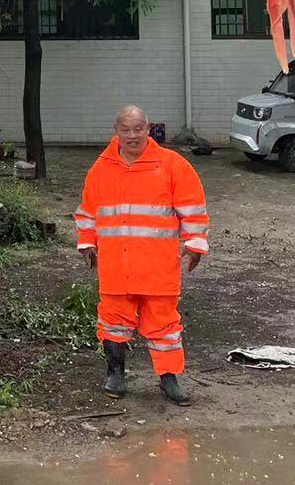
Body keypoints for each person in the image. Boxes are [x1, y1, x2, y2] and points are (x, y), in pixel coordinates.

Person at [74, 105, 209, 405]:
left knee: (164, 326)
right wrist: (86, 242)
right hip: (116, 267)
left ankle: (169, 379)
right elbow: (88, 210)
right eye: (126, 129)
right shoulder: (101, 168)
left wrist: (196, 242)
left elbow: (192, 207)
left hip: (157, 268)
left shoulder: (172, 164)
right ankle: (115, 374)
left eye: (138, 129)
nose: (132, 136)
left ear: (148, 129)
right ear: (116, 130)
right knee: (113, 322)